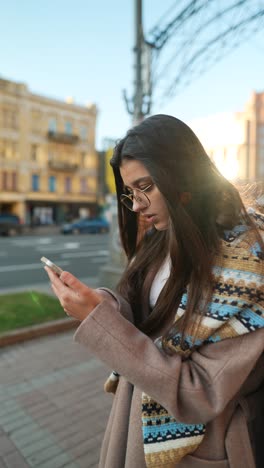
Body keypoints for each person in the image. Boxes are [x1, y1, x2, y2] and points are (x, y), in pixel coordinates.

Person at [45, 115, 264, 468]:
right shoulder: (165, 235)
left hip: (200, 445)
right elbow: (144, 309)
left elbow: (199, 392)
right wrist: (102, 304)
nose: (136, 205)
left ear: (183, 175)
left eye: (145, 187)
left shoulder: (248, 267)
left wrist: (100, 323)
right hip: (136, 424)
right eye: (131, 192)